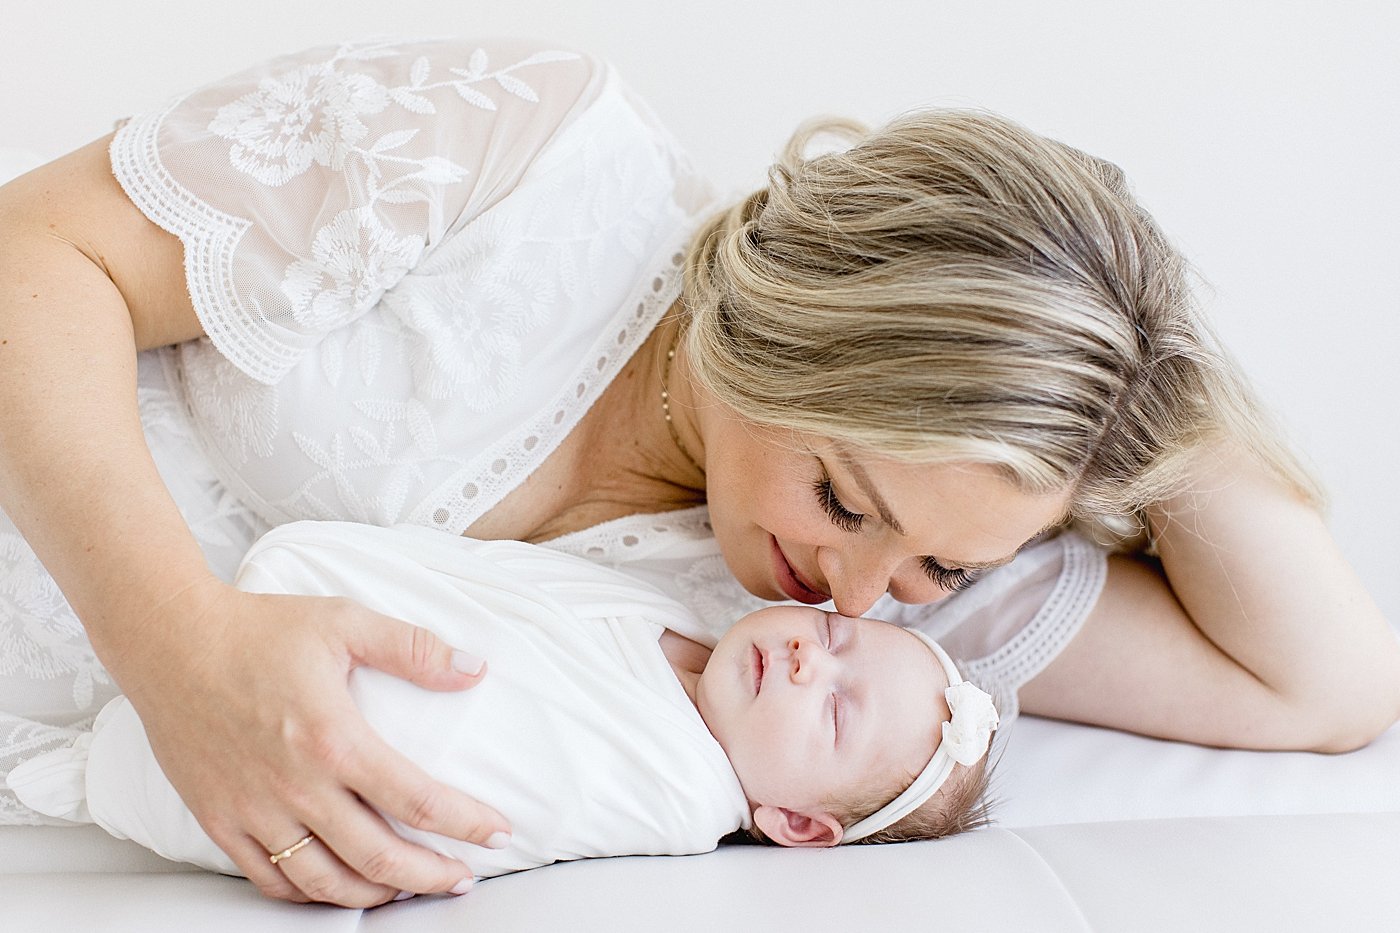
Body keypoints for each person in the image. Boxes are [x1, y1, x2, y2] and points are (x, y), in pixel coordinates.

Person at [0, 35, 1395, 908]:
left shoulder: (836, 647)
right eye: (847, 497)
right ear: (792, 326)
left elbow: (1328, 689)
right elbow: (29, 259)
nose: (860, 591)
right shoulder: (529, 154)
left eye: (941, 567)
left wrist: (1142, 384)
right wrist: (180, 651)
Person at [9, 520, 999, 883]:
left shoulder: (660, 790)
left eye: (833, 714)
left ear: (790, 822)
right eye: (832, 640)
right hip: (243, 622)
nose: (803, 665)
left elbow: (474, 778)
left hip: (249, 748)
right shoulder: (678, 615)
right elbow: (491, 581)